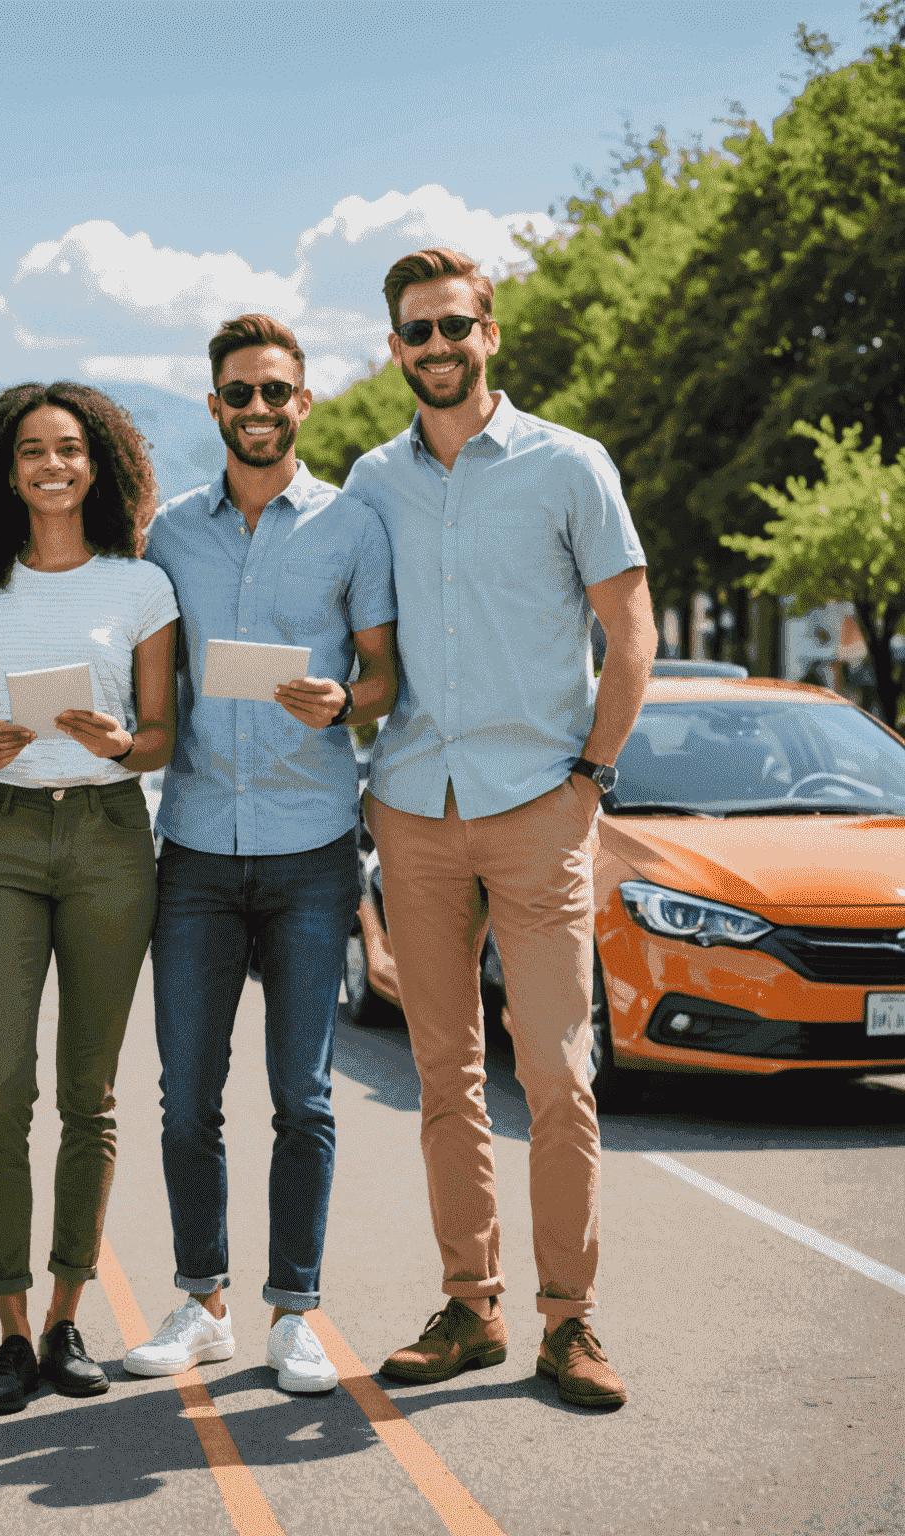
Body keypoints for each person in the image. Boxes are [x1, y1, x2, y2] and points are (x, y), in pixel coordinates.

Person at [344, 247, 656, 1409]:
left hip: (539, 809)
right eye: (416, 331)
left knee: (559, 1071)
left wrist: (590, 779)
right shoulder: (369, 484)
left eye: (454, 326)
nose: (437, 347)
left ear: (491, 332)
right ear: (393, 349)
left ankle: (570, 1322)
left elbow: (632, 634)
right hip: (414, 809)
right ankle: (469, 1307)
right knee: (442, 1072)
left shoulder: (570, 465)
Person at [123, 315, 396, 1394]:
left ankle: (296, 1311)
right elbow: (150, 684)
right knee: (185, 1097)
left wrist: (345, 701)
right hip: (192, 846)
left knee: (304, 1098)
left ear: (303, 403)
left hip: (311, 849)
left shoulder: (352, 527)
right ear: (214, 408)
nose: (259, 411)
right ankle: (202, 1304)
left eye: (276, 393)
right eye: (239, 394)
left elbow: (381, 677)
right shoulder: (168, 537)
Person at [0, 381, 178, 1414]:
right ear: (8, 468)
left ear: (101, 465)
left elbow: (166, 734)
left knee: (90, 1095)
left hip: (106, 838)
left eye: (71, 449)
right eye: (33, 450)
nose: (53, 464)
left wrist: (122, 741)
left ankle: (64, 1318)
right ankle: (5, 1327)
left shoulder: (141, 586)